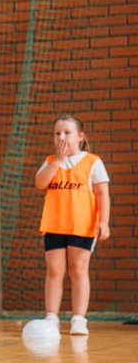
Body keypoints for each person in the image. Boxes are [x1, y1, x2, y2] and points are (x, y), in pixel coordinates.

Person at [35, 114, 110, 335]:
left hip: (83, 225)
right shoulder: (51, 161)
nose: (62, 137)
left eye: (67, 133)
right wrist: (58, 161)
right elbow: (40, 183)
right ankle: (51, 317)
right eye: (57, 133)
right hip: (55, 223)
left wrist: (104, 222)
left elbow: (103, 193)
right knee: (55, 271)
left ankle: (79, 319)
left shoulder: (92, 161)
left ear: (80, 137)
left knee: (78, 270)